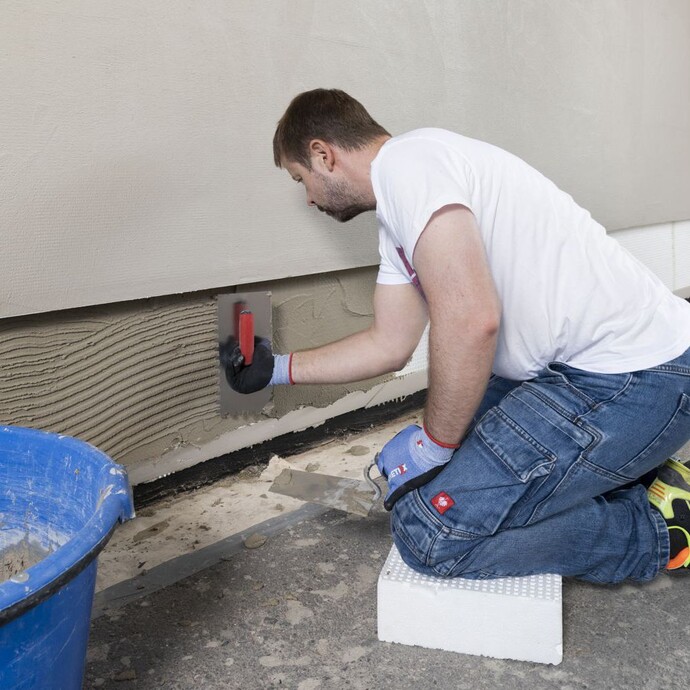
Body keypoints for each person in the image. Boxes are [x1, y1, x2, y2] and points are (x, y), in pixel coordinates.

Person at [222, 88, 690, 584]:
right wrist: (276, 369)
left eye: (302, 180)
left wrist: (432, 445)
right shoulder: (403, 207)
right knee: (442, 489)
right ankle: (645, 474)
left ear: (323, 154)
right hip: (575, 373)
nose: (309, 198)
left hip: (635, 377)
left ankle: (659, 532)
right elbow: (389, 343)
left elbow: (471, 320)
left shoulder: (411, 166)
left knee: (431, 532)